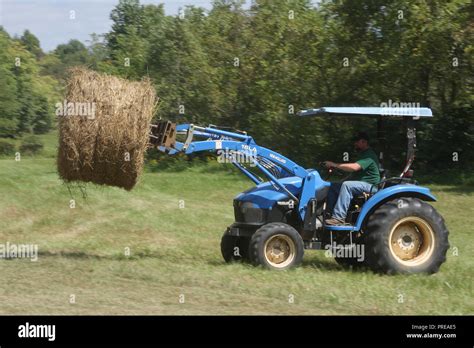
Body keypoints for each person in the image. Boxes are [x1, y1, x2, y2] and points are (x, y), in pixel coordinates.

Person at [323, 131, 380, 225]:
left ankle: (338, 218)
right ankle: (328, 214)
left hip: (371, 186)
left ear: (364, 142)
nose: (355, 144)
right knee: (334, 186)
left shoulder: (369, 155)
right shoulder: (362, 154)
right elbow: (355, 173)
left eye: (357, 141)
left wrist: (335, 165)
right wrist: (341, 181)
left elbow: (354, 167)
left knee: (347, 185)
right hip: (362, 184)